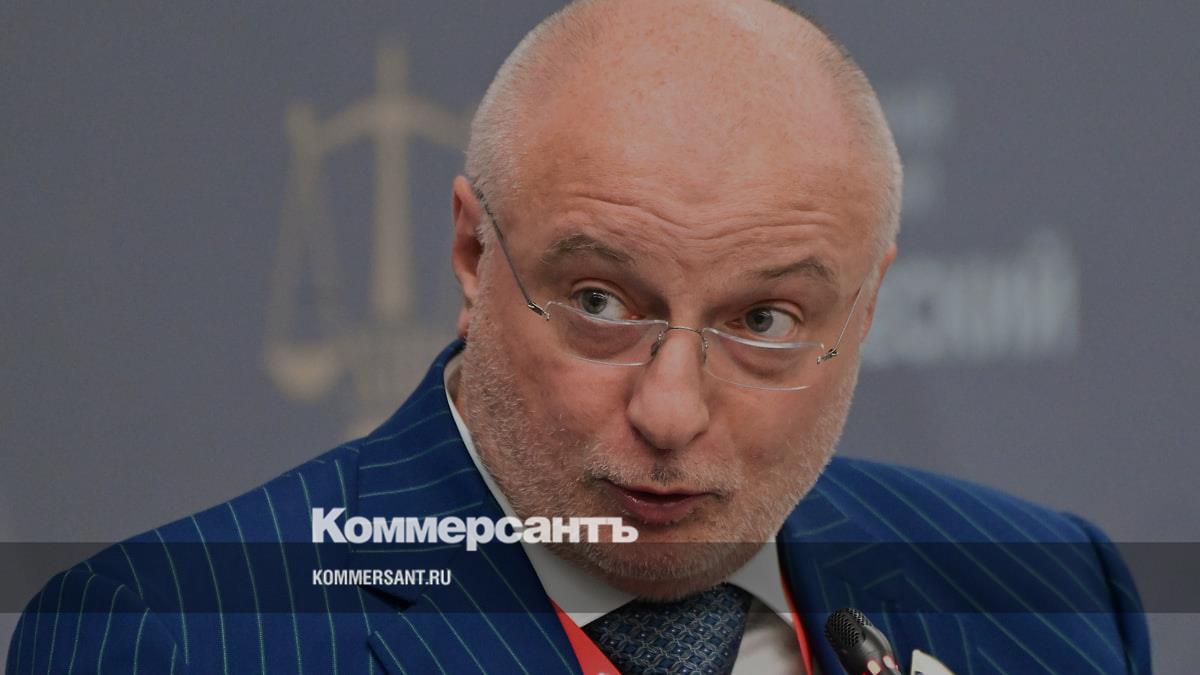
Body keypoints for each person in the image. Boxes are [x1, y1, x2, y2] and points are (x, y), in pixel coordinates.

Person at [7, 1, 1149, 673]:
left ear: (867, 310)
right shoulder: (177, 636)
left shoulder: (1049, 593)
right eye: (600, 302)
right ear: (472, 255)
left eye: (764, 321)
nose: (670, 411)